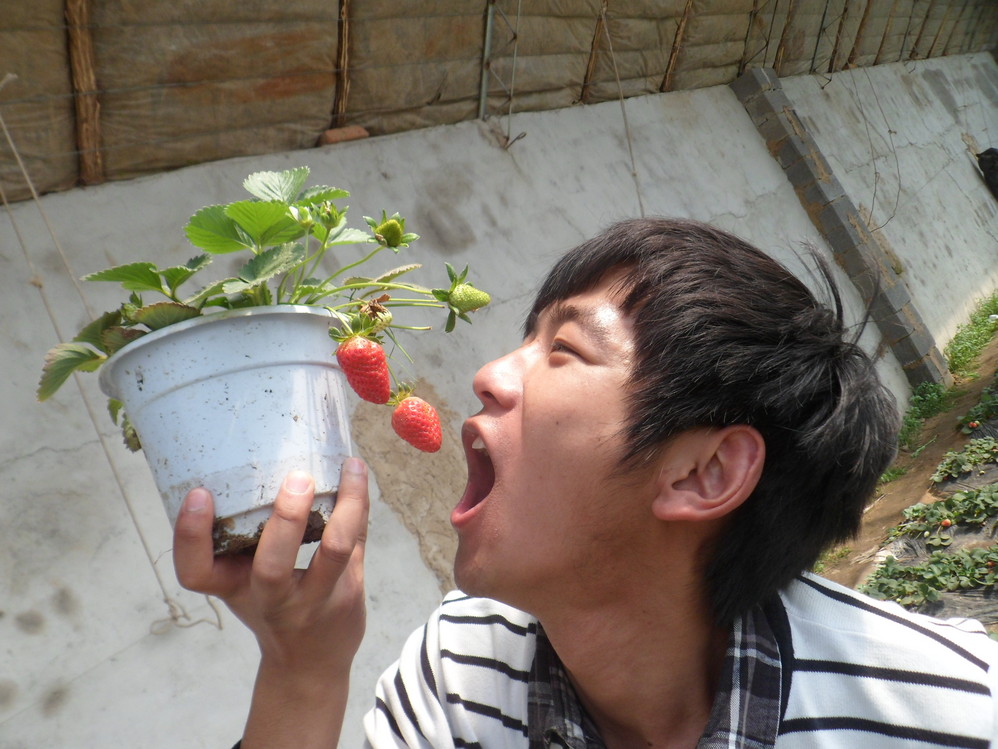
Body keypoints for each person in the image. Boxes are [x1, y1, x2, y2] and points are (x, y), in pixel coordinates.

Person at [174, 218, 998, 748]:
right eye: (524, 339)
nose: (489, 373)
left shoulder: (953, 714)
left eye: (564, 349)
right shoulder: (459, 671)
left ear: (704, 471)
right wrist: (302, 668)